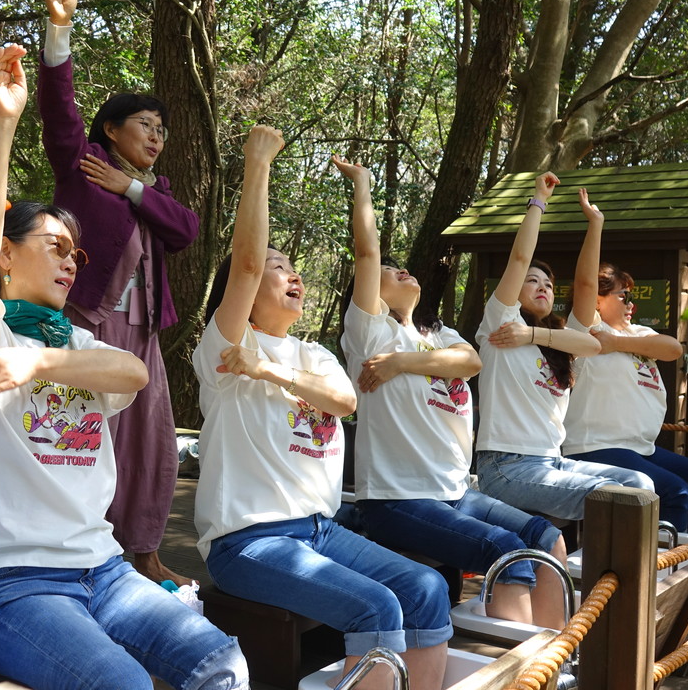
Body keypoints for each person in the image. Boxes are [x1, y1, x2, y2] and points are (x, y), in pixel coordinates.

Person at [0, 44, 247, 690]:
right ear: (6, 258)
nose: (71, 261)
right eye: (54, 247)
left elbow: (131, 375)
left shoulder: (75, 342)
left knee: (221, 661)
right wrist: (2, 121)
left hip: (102, 569)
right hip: (11, 583)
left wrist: (38, 364)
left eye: (76, 253)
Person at [194, 127, 450, 690]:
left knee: (427, 587)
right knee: (377, 608)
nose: (293, 274)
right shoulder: (225, 346)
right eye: (278, 265)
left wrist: (268, 372)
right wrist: (258, 165)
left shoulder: (311, 354)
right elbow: (243, 263)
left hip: (320, 531)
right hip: (249, 542)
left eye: (292, 266)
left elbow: (345, 399)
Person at [333, 157, 567, 629]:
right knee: (505, 551)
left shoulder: (438, 335)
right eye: (391, 270)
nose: (401, 271)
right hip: (398, 501)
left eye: (405, 268)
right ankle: (526, 667)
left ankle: (558, 650)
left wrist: (403, 363)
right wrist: (362, 185)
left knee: (546, 536)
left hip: (457, 493)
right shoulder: (369, 334)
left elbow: (471, 362)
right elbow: (366, 253)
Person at [38, 0, 195, 587]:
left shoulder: (152, 188)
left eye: (161, 130)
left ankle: (142, 551)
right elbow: (58, 109)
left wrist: (133, 188)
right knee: (84, 431)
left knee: (149, 441)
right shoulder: (82, 162)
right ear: (111, 129)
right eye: (144, 126)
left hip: (145, 328)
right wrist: (59, 28)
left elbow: (185, 230)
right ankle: (78, 549)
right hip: (89, 318)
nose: (155, 137)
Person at [475, 174, 653, 521]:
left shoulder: (556, 342)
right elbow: (519, 258)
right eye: (532, 281)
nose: (542, 287)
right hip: (506, 465)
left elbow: (588, 310)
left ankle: (607, 573)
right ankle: (610, 576)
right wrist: (539, 200)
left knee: (640, 482)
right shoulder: (501, 323)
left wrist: (596, 224)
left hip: (552, 460)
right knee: (619, 498)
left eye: (549, 285)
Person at [564, 260, 688, 532]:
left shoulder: (636, 333)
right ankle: (665, 571)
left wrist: (617, 343)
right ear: (597, 300)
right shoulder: (586, 331)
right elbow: (584, 285)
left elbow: (672, 348)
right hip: (594, 446)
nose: (631, 304)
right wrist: (596, 224)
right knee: (676, 491)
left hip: (641, 448)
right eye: (623, 295)